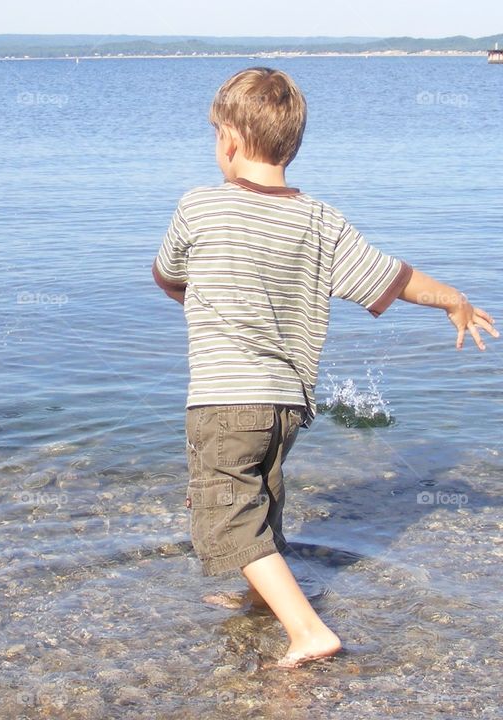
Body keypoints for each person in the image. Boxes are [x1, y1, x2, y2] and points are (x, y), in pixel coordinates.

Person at [152, 67, 498, 668]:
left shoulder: (199, 206)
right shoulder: (320, 220)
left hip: (222, 396)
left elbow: (168, 276)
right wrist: (454, 299)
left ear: (229, 141)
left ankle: (307, 629)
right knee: (261, 494)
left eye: (214, 136)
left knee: (224, 510)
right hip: (285, 401)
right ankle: (263, 602)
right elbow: (392, 277)